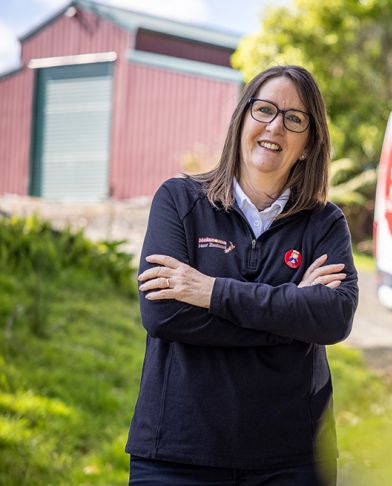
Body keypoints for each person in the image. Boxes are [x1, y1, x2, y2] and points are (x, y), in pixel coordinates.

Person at [126, 65, 358, 485]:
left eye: (294, 119)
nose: (275, 126)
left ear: (307, 145)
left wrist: (212, 292)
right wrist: (290, 317)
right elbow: (164, 316)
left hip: (291, 460)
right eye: (264, 110)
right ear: (242, 121)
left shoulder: (324, 224)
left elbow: (333, 317)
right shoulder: (179, 201)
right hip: (177, 454)